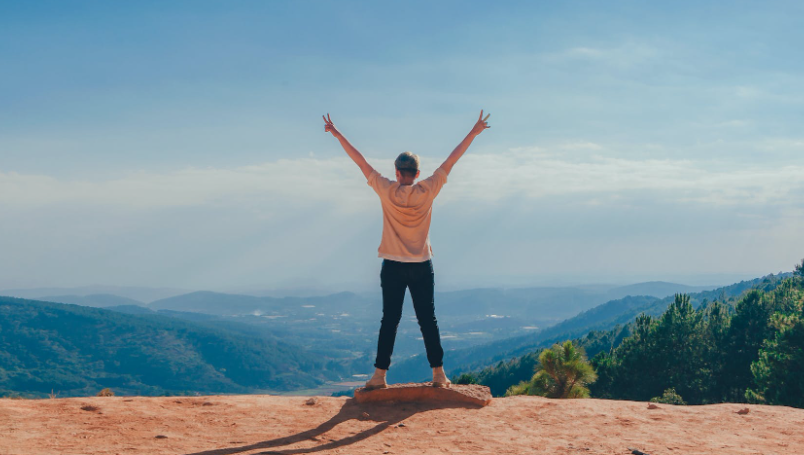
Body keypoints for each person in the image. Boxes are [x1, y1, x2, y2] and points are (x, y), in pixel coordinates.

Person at [322, 110, 491, 389]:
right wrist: (474, 132)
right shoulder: (428, 189)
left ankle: (379, 376)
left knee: (390, 320)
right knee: (428, 320)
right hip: (422, 264)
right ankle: (439, 374)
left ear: (397, 173)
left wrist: (338, 134)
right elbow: (452, 160)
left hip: (392, 265)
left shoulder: (386, 190)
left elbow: (360, 162)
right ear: (418, 174)